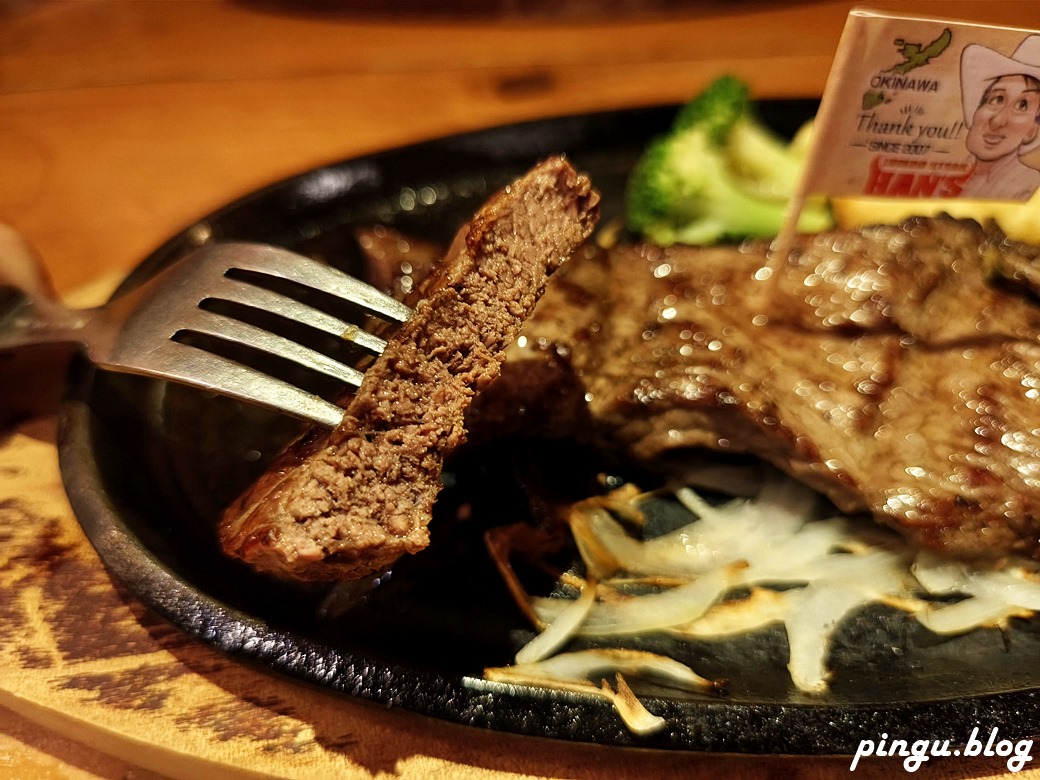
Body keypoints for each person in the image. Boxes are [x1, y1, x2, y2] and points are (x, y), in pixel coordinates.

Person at [959, 35, 1040, 200]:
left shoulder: (1027, 188)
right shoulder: (945, 175)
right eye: (997, 99)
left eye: (1022, 105)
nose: (997, 121)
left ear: (1033, 130)